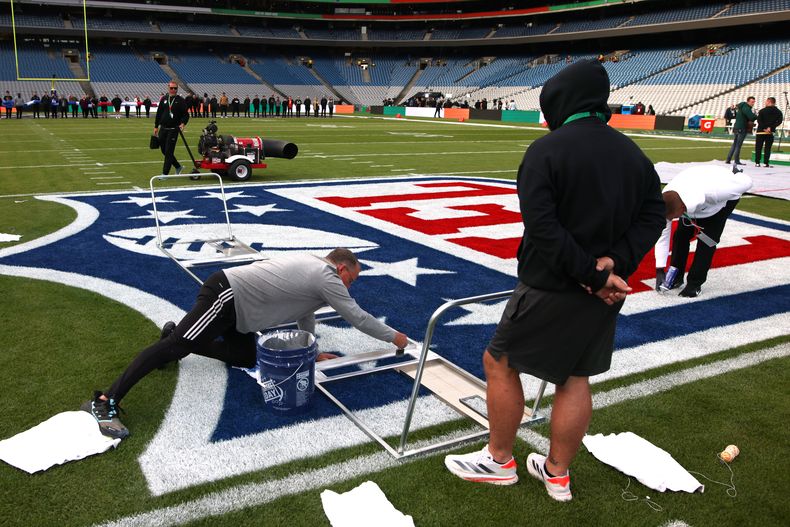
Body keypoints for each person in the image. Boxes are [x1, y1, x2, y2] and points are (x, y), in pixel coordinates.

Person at [444, 60, 665, 499]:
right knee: (575, 377)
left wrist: (589, 273)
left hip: (552, 285)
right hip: (605, 292)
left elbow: (544, 230)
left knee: (500, 363)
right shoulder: (632, 153)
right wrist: (612, 266)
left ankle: (499, 460)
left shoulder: (546, 150)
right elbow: (654, 215)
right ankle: (557, 474)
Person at [81, 248, 409, 439]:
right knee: (178, 347)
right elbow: (357, 317)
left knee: (245, 355)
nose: (348, 288)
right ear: (341, 268)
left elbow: (306, 315)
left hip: (241, 311)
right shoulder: (327, 276)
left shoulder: (316, 270)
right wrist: (394, 337)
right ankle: (106, 400)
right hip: (227, 296)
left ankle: (175, 335)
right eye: (351, 280)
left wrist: (313, 350)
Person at [655, 165, 753, 298]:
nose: (672, 219)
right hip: (695, 191)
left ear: (683, 208)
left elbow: (747, 182)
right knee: (680, 236)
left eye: (674, 216)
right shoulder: (668, 197)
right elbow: (663, 234)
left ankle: (694, 284)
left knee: (707, 241)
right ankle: (675, 277)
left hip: (720, 204)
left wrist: (737, 174)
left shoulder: (717, 192)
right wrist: (660, 268)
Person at [154, 81, 190, 176]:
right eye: (171, 88)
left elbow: (186, 114)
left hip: (173, 129)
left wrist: (183, 124)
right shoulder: (164, 99)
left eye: (175, 88)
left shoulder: (180, 100)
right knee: (163, 151)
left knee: (169, 151)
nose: (173, 90)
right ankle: (178, 166)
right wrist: (156, 126)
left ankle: (165, 173)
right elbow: (159, 113)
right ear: (168, 88)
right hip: (163, 128)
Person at [725, 96, 756, 165]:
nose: (753, 103)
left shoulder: (741, 106)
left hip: (736, 127)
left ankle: (728, 159)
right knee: (738, 145)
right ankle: (736, 161)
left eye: (754, 102)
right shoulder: (746, 107)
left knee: (734, 144)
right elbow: (751, 117)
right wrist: (756, 116)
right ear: (748, 101)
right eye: (752, 102)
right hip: (742, 128)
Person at [754, 97, 783, 168]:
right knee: (768, 148)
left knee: (758, 147)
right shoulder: (778, 112)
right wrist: (771, 128)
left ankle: (757, 162)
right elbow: (779, 121)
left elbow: (759, 121)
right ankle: (766, 163)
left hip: (761, 131)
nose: (765, 102)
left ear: (769, 102)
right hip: (770, 132)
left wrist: (765, 128)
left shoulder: (762, 111)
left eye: (766, 101)